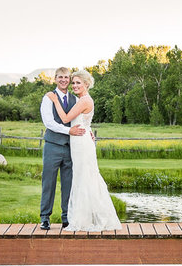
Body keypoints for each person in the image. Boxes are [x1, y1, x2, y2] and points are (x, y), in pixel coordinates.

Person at [46, 70, 122, 231]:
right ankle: (83, 217)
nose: (74, 85)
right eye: (73, 82)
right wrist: (89, 130)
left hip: (81, 143)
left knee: (84, 177)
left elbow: (66, 118)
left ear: (86, 84)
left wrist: (55, 100)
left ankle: (86, 219)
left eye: (78, 82)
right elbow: (84, 121)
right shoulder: (82, 100)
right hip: (80, 140)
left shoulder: (83, 101)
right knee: (82, 177)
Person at [39, 67, 87, 230]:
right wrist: (68, 130)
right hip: (52, 146)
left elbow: (81, 120)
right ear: (55, 79)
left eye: (66, 77)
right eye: (60, 77)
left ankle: (67, 216)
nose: (64, 80)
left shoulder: (75, 99)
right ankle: (45, 217)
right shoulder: (48, 98)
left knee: (69, 183)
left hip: (70, 148)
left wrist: (88, 132)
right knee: (49, 183)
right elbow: (49, 123)